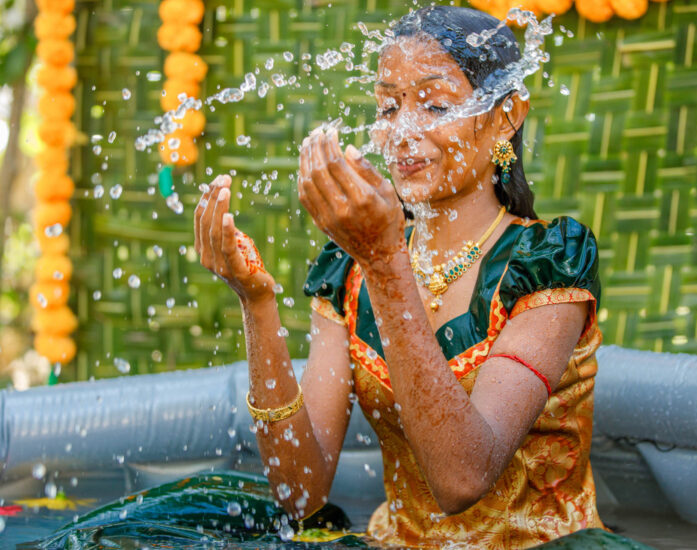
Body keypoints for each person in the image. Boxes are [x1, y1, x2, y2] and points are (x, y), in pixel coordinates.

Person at [194, 5, 604, 548]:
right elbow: (302, 493)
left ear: (506, 116)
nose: (402, 131)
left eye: (434, 104)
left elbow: (463, 478)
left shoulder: (545, 263)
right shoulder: (351, 269)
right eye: (388, 106)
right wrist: (257, 304)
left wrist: (386, 261)